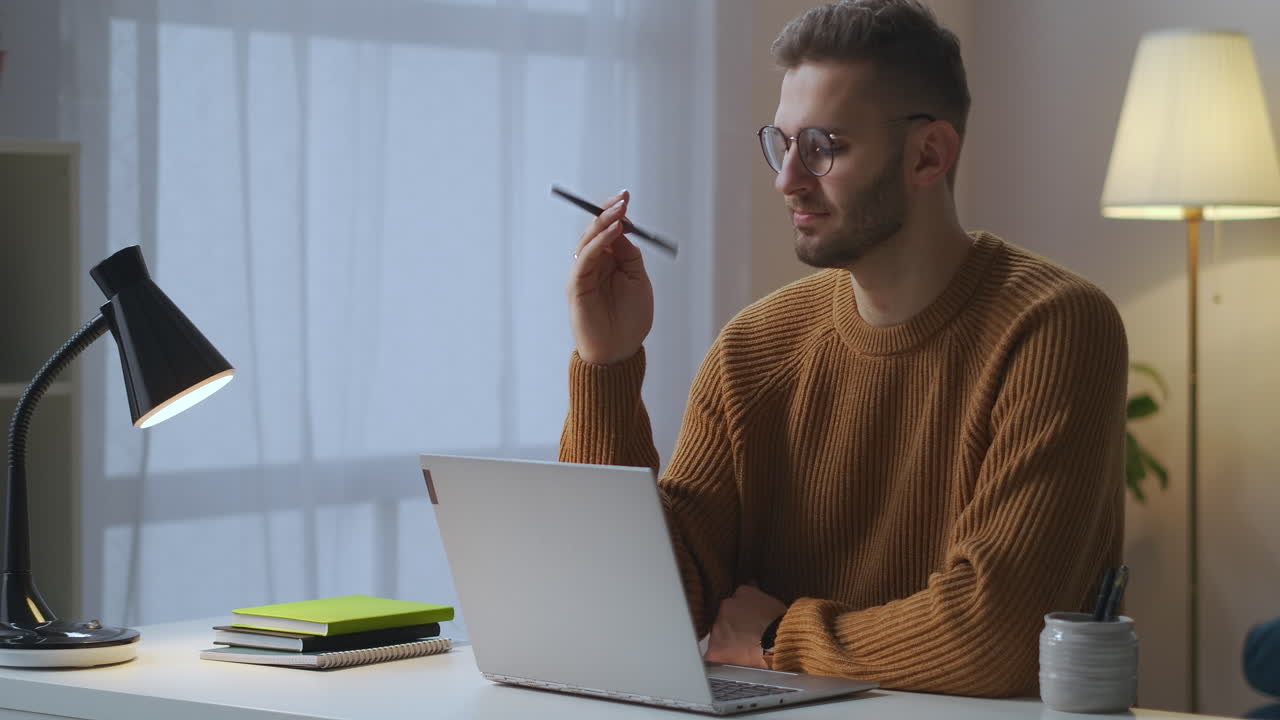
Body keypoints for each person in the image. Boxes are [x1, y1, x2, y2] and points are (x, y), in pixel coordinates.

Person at [559, 0, 1125, 698]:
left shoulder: (1053, 327)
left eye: (823, 147)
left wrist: (780, 637)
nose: (787, 178)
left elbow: (994, 635)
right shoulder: (754, 348)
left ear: (928, 154)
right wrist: (607, 365)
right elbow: (626, 611)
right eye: (782, 144)